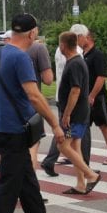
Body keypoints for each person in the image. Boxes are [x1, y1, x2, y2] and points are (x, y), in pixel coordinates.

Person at [0, 13, 68, 213]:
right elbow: (34, 95)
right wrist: (55, 123)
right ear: (32, 33)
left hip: (0, 127)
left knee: (27, 182)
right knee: (8, 187)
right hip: (14, 130)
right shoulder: (21, 58)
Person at [54, 31, 101, 194]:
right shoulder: (75, 61)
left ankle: (91, 175)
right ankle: (81, 184)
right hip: (78, 113)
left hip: (75, 115)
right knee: (75, 146)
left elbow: (75, 90)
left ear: (62, 45)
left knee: (63, 146)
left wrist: (66, 114)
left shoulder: (74, 64)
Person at [43, 23, 92, 175]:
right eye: (84, 37)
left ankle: (81, 174)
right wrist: (67, 113)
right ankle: (87, 169)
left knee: (66, 135)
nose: (86, 40)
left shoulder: (61, 52)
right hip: (74, 104)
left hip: (65, 98)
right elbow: (76, 89)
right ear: (78, 37)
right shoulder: (77, 55)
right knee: (71, 136)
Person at [77, 28, 107, 164]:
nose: (77, 40)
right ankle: (79, 154)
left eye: (79, 37)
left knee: (103, 124)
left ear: (88, 38)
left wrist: (92, 95)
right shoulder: (82, 54)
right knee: (82, 126)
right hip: (83, 96)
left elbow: (101, 77)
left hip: (97, 96)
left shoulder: (97, 55)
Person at [26, 34, 54, 169]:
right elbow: (48, 80)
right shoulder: (38, 48)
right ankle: (30, 184)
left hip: (10, 106)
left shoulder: (2, 51)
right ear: (32, 32)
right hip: (31, 104)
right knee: (33, 144)